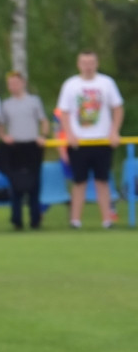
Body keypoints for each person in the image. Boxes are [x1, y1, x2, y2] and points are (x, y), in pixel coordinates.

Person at [56, 50, 125, 229]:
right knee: (79, 182)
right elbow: (64, 112)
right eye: (84, 62)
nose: (88, 66)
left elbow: (117, 108)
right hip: (79, 142)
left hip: (102, 140)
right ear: (79, 64)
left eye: (91, 62)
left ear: (96, 63)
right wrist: (69, 134)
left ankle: (107, 220)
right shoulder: (70, 85)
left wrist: (114, 131)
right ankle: (75, 221)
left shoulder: (107, 83)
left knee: (102, 181)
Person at [0, 71, 49, 230]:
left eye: (16, 82)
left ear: (23, 83)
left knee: (34, 184)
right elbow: (0, 124)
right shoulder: (6, 104)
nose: (13, 86)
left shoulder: (34, 101)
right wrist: (3, 136)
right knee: (15, 185)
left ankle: (35, 220)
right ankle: (16, 220)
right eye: (10, 83)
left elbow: (44, 120)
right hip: (15, 147)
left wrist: (43, 135)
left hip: (32, 146)